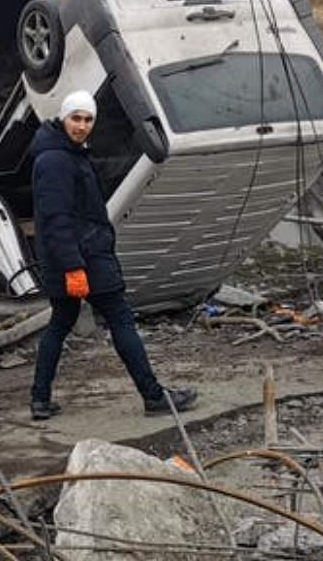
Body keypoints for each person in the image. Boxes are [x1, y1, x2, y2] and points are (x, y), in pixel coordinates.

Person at [30, 90, 198, 421]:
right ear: (63, 118)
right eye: (75, 118)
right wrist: (74, 267)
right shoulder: (55, 160)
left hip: (78, 256)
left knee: (61, 322)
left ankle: (40, 399)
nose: (81, 126)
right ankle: (153, 397)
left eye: (88, 119)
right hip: (85, 257)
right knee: (121, 320)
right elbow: (56, 219)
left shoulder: (68, 153)